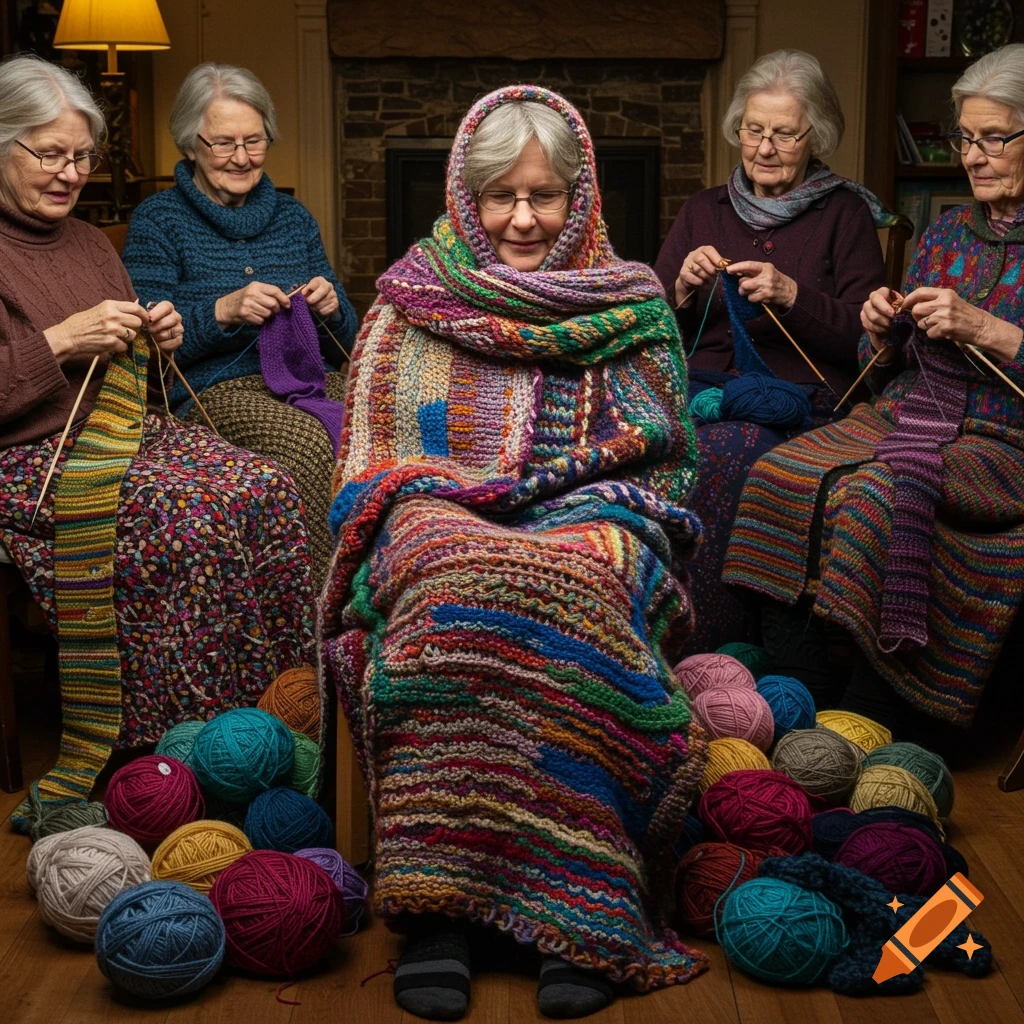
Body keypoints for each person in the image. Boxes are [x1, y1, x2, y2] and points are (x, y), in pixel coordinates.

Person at [322, 85, 708, 1020]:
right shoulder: (409, 300)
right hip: (434, 509)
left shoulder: (633, 307)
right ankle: (440, 910)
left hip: (592, 507)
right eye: (502, 196)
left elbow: (665, 460)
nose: (524, 219)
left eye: (546, 197)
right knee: (455, 578)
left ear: (583, 198)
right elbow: (368, 461)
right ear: (466, 194)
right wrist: (462, 498)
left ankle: (581, 895)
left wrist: (553, 495)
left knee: (576, 575)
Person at [0, 54, 316, 829]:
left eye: (81, 156)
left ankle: (273, 726)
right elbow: (46, 366)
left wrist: (161, 335)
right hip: (31, 460)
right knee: (193, 514)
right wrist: (63, 339)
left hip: (123, 432)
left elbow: (134, 372)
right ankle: (165, 756)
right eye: (48, 153)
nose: (69, 173)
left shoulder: (84, 243)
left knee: (263, 485)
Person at [722, 44, 1024, 736]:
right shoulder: (950, 231)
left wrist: (988, 328)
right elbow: (880, 364)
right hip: (902, 415)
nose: (973, 156)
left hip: (1000, 442)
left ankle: (879, 705)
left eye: (994, 138)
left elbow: (989, 341)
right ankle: (804, 686)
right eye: (966, 138)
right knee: (776, 473)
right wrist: (879, 329)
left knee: (873, 499)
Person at [653, 49, 887, 655]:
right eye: (753, 130)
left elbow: (871, 342)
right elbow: (644, 325)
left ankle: (709, 647)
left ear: (818, 136)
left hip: (796, 405)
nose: (763, 147)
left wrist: (792, 295)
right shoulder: (704, 209)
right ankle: (640, 630)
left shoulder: (845, 214)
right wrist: (680, 287)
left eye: (783, 133)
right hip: (701, 392)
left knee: (729, 452)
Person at [122, 63, 358, 585]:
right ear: (190, 144)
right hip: (211, 390)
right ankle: (315, 607)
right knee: (306, 444)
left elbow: (349, 343)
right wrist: (221, 311)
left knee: (382, 418)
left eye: (254, 141)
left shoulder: (294, 218)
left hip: (305, 378)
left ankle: (382, 586)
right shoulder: (159, 221)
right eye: (224, 143)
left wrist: (331, 306)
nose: (242, 158)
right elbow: (143, 350)